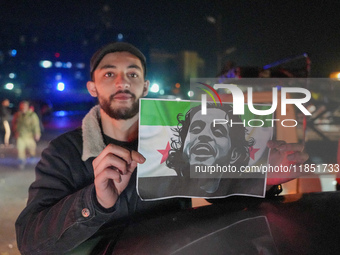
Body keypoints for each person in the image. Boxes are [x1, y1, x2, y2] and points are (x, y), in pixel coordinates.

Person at [15, 42, 309, 254]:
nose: (122, 82)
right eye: (109, 74)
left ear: (145, 86)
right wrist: (95, 201)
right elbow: (31, 240)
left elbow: (218, 190)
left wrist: (263, 180)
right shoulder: (64, 152)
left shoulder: (179, 136)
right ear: (92, 87)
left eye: (132, 74)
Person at [166, 103, 258, 195]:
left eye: (218, 132)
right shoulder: (159, 189)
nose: (204, 135)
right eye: (196, 129)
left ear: (234, 154)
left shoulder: (243, 197)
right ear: (183, 145)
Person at [12, 101, 41, 168]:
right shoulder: (18, 115)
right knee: (20, 150)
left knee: (32, 149)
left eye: (24, 106)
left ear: (27, 107)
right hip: (21, 136)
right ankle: (21, 163)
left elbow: (36, 125)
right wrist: (15, 132)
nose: (23, 108)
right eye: (22, 106)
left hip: (29, 136)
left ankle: (32, 156)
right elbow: (14, 124)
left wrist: (37, 133)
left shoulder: (32, 115)